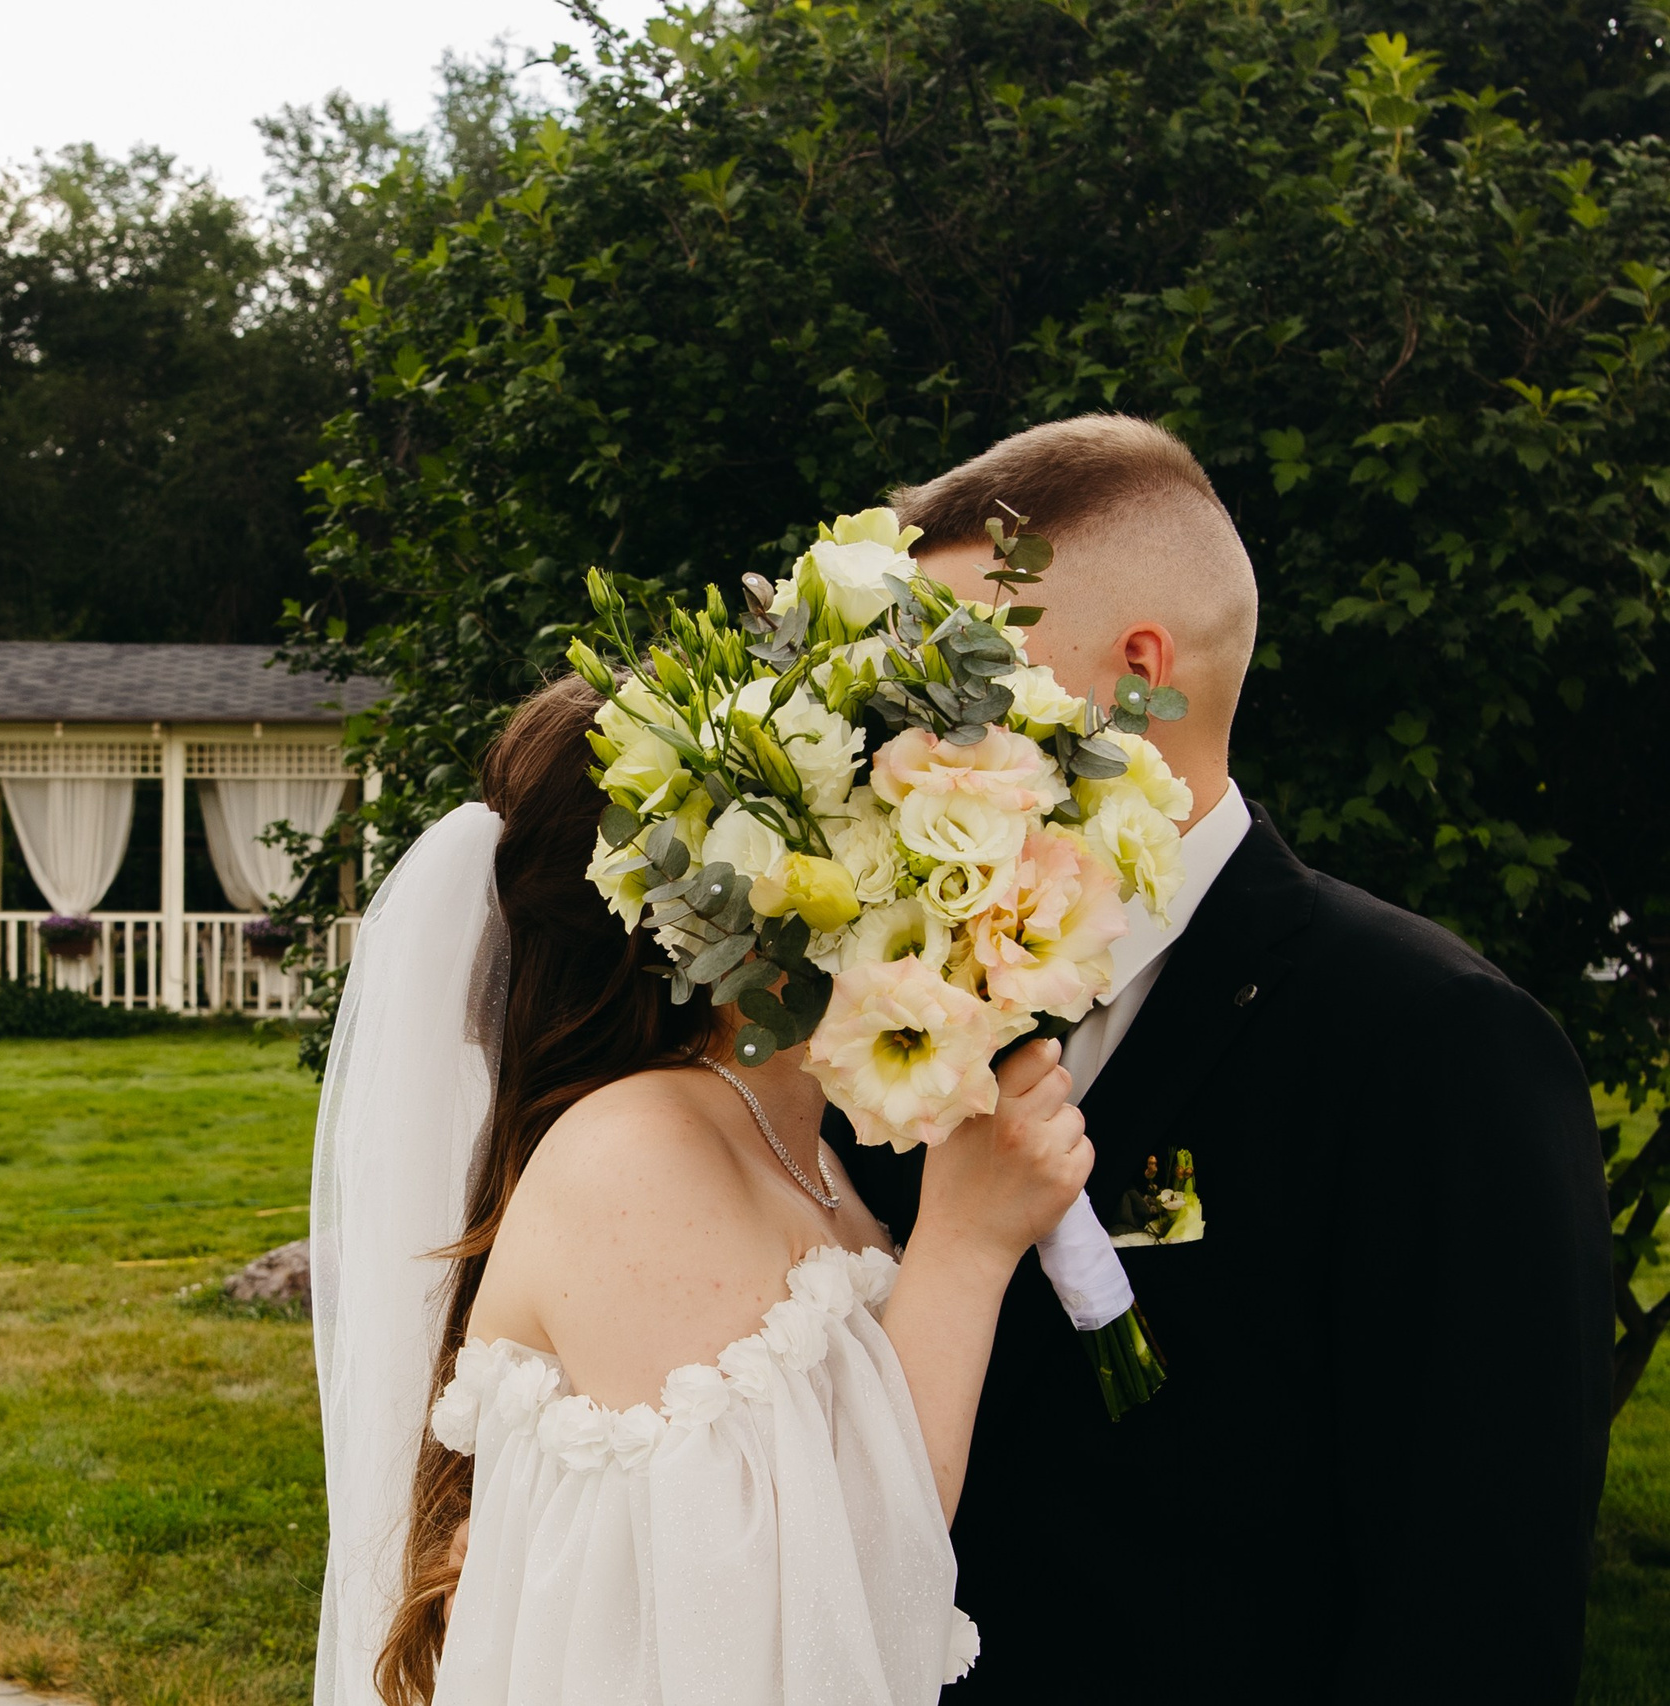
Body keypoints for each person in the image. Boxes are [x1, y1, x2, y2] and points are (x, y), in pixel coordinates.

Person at [826, 416, 1615, 1702]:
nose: (914, 735)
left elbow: (1476, 1603)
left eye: (964, 674)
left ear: (1140, 673)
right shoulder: (903, 1012)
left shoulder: (1434, 1045)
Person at [311, 676, 1096, 1706]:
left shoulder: (795, 1137)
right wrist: (967, 1241)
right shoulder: (635, 1150)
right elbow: (790, 1615)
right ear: (717, 903)